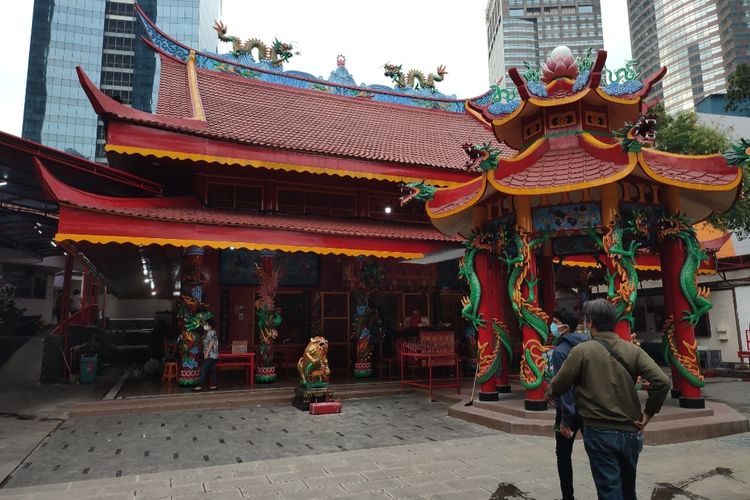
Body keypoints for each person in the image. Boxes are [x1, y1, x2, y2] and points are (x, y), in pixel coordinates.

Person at [547, 299, 670, 500]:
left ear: (591, 323)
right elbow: (662, 381)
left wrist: (550, 392)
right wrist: (649, 412)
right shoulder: (632, 350)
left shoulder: (582, 351)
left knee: (609, 490)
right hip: (631, 430)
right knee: (628, 488)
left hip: (600, 430)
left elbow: (559, 383)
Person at [550, 307, 589, 500]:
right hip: (591, 408)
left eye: (555, 323)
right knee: (596, 452)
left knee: (563, 454)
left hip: (568, 411)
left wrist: (565, 419)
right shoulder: (589, 345)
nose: (553, 326)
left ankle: (568, 497)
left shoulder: (560, 351)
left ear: (565, 327)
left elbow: (565, 388)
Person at [194, 318, 219, 391]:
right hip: (213, 355)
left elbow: (211, 342)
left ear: (210, 326)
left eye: (206, 324)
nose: (205, 326)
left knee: (203, 369)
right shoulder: (211, 332)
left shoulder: (211, 332)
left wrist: (207, 353)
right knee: (212, 370)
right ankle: (215, 385)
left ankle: (199, 386)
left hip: (210, 355)